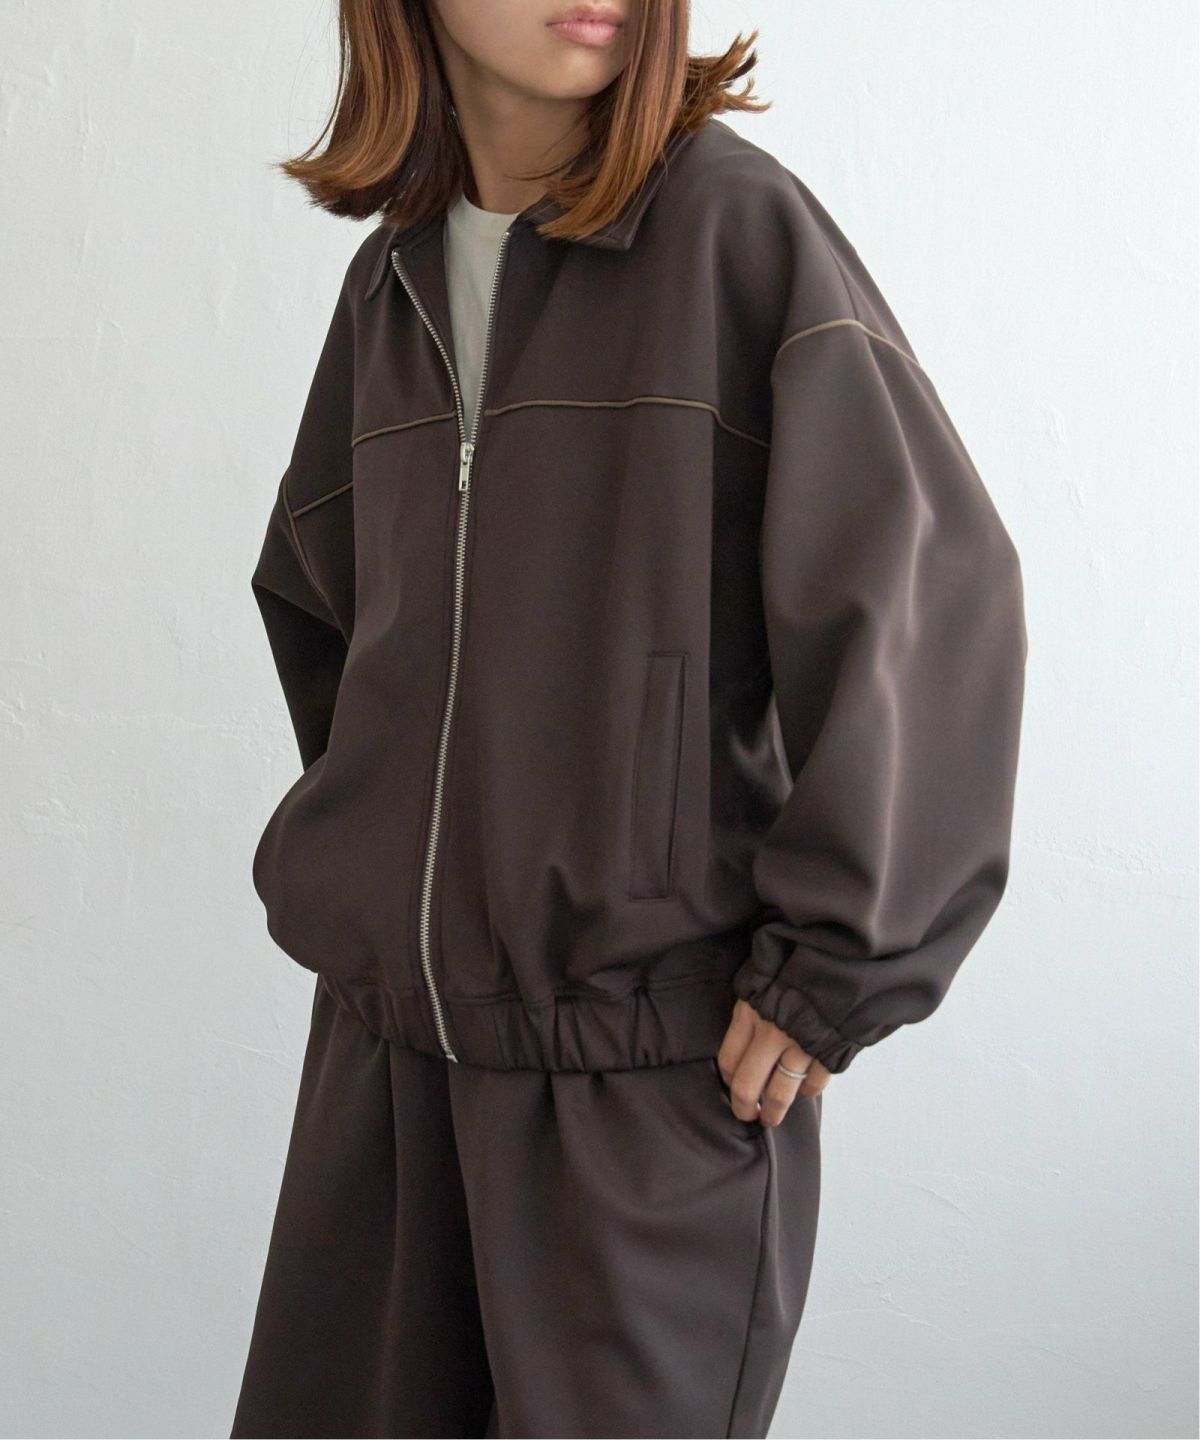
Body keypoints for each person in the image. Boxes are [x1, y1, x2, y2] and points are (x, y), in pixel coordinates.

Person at [230, 1, 1028, 1436]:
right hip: (386, 1068)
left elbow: (928, 593)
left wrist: (834, 963)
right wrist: (397, 871)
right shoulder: (392, 283)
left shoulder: (734, 232)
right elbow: (328, 603)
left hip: (640, 1082)